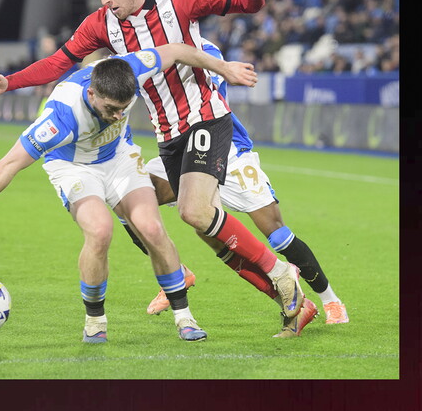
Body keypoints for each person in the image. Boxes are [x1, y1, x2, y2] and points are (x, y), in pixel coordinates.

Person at [0, 0, 306, 334]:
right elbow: (58, 63)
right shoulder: (101, 23)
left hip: (206, 117)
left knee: (194, 212)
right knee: (183, 223)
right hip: (167, 134)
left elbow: (247, 5)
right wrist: (10, 82)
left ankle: (282, 273)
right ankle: (283, 299)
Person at [0, 42, 258, 343]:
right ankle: (95, 320)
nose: (118, 115)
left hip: (118, 157)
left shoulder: (133, 67)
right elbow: (6, 166)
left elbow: (175, 50)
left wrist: (224, 67)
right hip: (74, 166)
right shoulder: (60, 118)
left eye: (123, 108)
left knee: (151, 227)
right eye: (111, 108)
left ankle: (184, 317)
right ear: (91, 93)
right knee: (100, 231)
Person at [126, 40, 349, 331]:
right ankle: (174, 274)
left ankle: (331, 300)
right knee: (129, 197)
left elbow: (207, 88)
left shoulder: (204, 49)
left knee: (277, 234)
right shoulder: (148, 50)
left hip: (227, 150)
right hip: (182, 150)